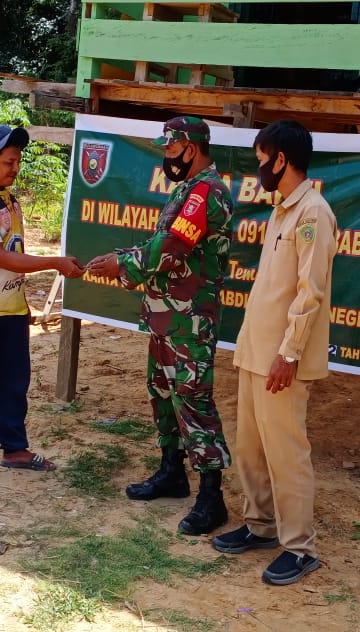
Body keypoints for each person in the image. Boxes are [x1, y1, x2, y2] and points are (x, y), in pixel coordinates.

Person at [86, 116, 234, 535]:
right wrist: (121, 258)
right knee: (163, 392)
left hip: (190, 321)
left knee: (194, 400)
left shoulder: (205, 193)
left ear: (190, 147)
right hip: (166, 316)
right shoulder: (186, 190)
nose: (166, 158)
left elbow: (171, 248)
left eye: (170, 150)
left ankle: (212, 497)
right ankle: (172, 471)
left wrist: (122, 265)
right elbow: (160, 247)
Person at [211, 119, 337, 585]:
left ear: (281, 159)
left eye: (262, 159)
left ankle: (300, 548)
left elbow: (311, 294)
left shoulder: (314, 213)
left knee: (286, 454)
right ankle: (261, 525)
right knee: (250, 450)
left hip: (282, 359)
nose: (258, 167)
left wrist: (289, 353)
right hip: (255, 353)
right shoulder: (282, 209)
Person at [0, 124, 84, 479]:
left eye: (17, 161)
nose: (15, 168)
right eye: (8, 162)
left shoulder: (8, 197)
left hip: (11, 307)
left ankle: (15, 448)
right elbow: (1, 257)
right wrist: (55, 262)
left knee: (13, 381)